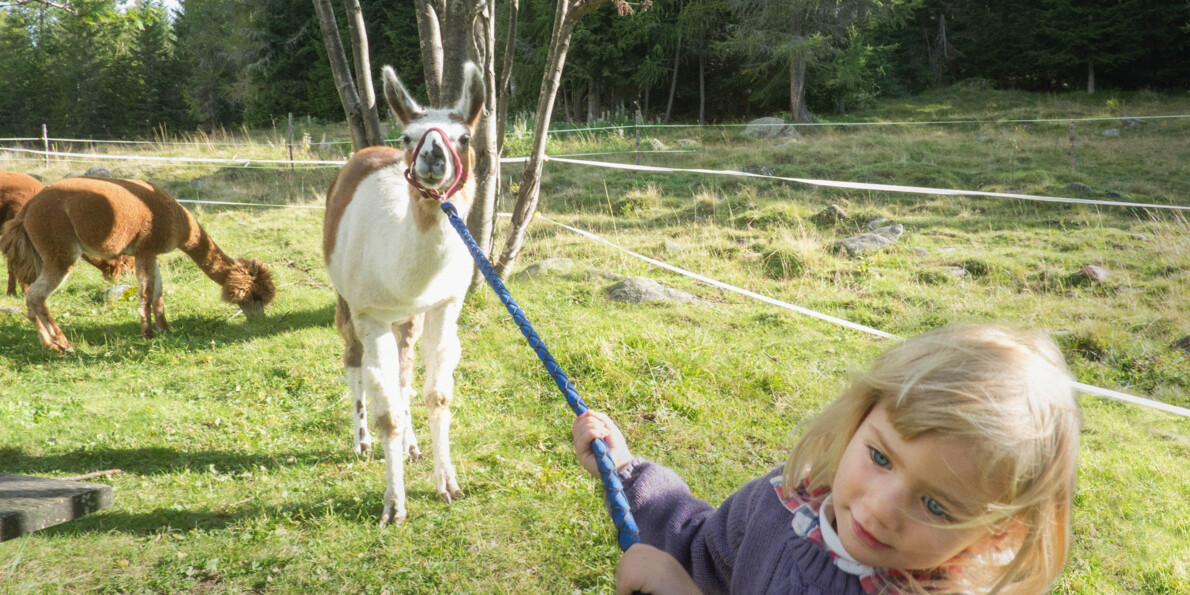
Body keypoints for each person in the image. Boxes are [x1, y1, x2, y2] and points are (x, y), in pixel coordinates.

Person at [573, 325, 1081, 595]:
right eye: (881, 456)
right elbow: (700, 548)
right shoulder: (783, 504)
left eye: (936, 505)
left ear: (999, 532)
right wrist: (623, 470)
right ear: (858, 421)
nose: (880, 507)